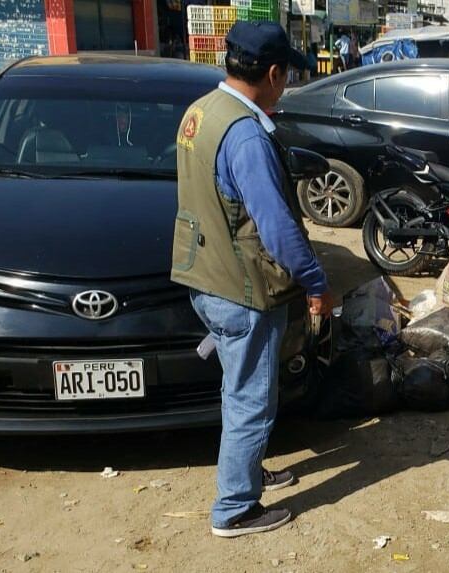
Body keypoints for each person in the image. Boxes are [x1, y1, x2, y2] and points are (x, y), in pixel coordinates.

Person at [171, 21, 331, 538]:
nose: (285, 87)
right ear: (273, 72)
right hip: (242, 289)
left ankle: (247, 471)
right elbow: (279, 229)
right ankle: (236, 508)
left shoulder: (201, 113)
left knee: (237, 387)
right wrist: (316, 283)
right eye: (286, 77)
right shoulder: (245, 135)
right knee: (250, 399)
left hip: (206, 276)